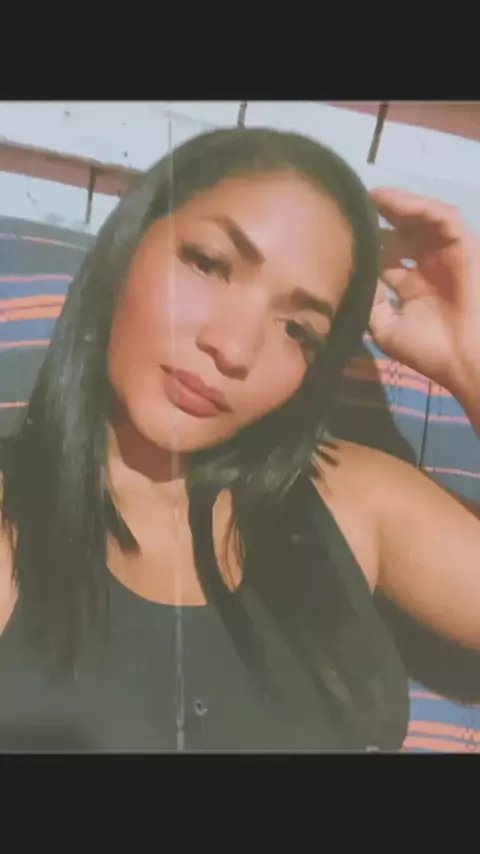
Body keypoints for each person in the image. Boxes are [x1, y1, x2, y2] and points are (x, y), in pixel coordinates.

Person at [0, 127, 479, 752]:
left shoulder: (349, 496)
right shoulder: (14, 520)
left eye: (298, 330)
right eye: (209, 263)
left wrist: (471, 366)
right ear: (128, 245)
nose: (233, 349)